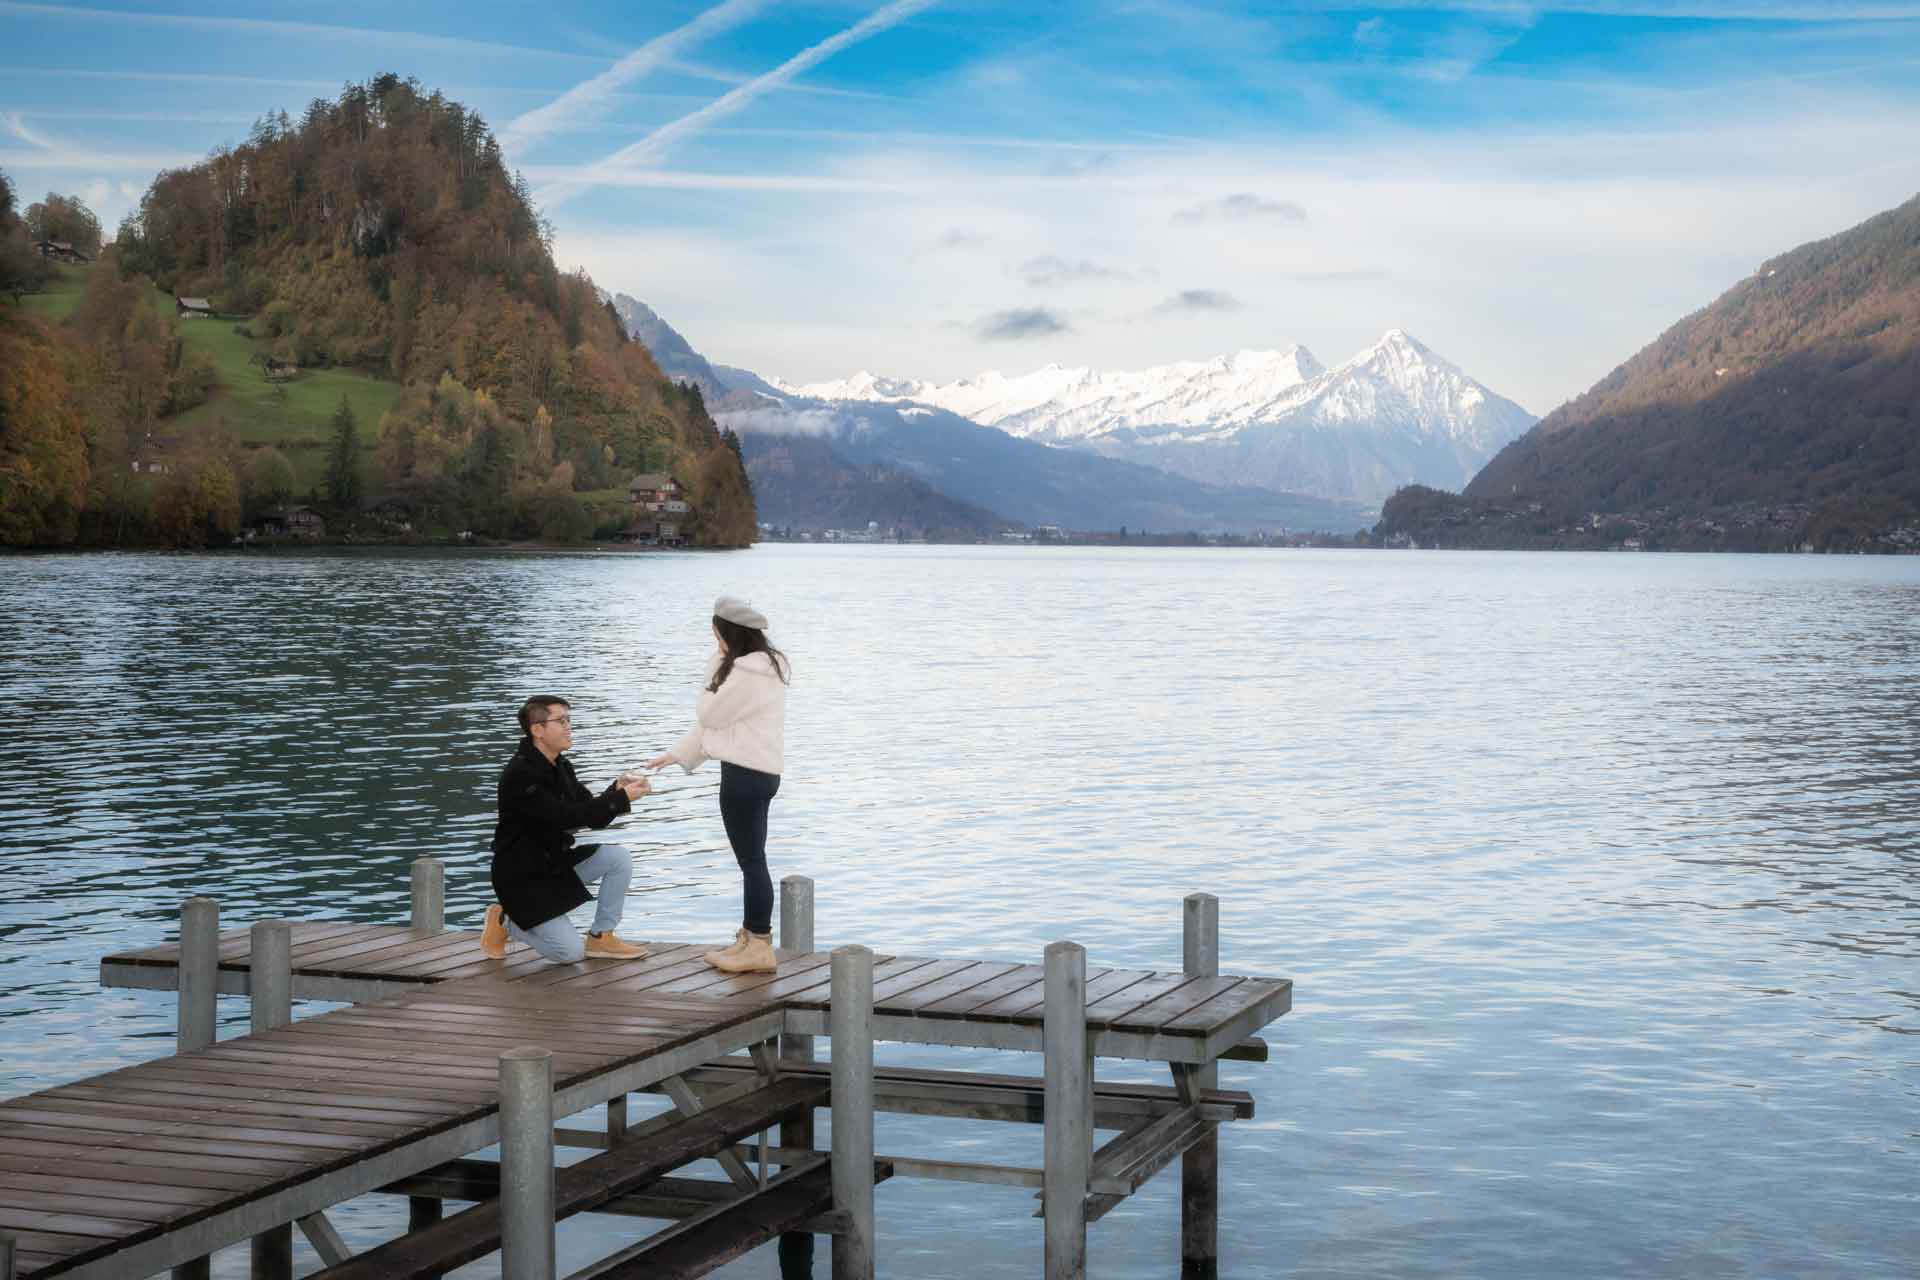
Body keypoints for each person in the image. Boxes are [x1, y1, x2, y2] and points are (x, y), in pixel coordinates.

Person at [648, 595, 789, 974]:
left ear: (729, 634)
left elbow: (708, 713)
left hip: (743, 776)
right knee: (752, 859)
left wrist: (717, 665)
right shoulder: (764, 667)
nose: (715, 642)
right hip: (761, 774)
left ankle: (758, 944)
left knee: (752, 861)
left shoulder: (745, 672)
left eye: (717, 635)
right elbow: (717, 725)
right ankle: (750, 938)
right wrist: (677, 754)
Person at [482, 695, 651, 964]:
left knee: (618, 859)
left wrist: (616, 790)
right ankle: (506, 922)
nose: (569, 726)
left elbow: (589, 813)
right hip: (523, 879)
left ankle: (601, 937)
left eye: (569, 720)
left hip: (555, 864)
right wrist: (621, 799)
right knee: (569, 954)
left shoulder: (560, 765)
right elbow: (562, 817)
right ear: (537, 730)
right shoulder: (520, 774)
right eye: (561, 721)